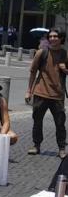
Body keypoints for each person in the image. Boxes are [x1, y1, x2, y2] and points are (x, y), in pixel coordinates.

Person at [26, 28, 67, 158]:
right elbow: (33, 72)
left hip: (58, 95)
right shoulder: (41, 53)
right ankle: (36, 145)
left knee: (60, 123)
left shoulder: (65, 54)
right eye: (51, 36)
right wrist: (29, 91)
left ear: (61, 38)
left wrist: (65, 69)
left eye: (56, 36)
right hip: (41, 92)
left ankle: (61, 148)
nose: (53, 38)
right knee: (37, 121)